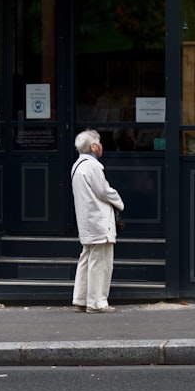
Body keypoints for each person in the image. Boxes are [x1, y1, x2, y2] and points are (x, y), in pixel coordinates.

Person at [70, 129, 124, 313]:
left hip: (87, 220)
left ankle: (80, 299)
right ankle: (97, 302)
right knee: (101, 262)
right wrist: (119, 201)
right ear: (93, 146)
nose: (101, 145)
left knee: (87, 258)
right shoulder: (92, 166)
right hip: (99, 220)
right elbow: (104, 190)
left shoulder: (78, 165)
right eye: (99, 142)